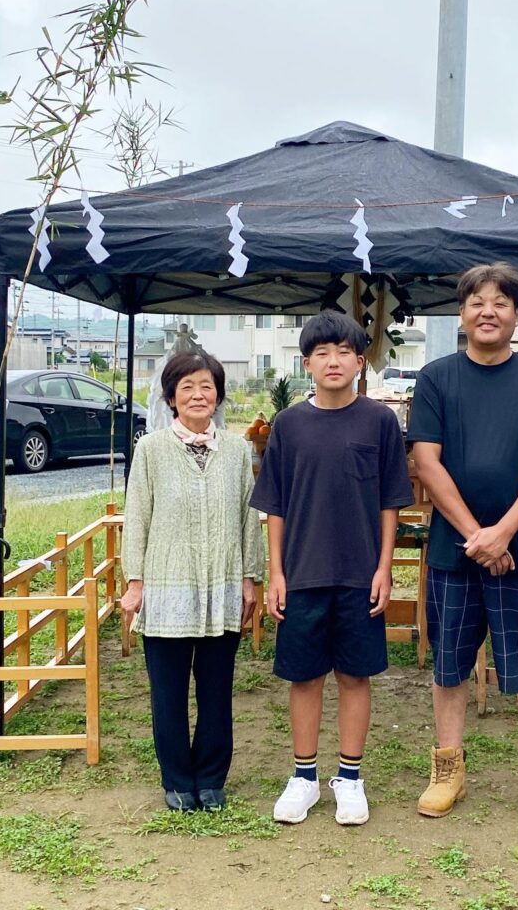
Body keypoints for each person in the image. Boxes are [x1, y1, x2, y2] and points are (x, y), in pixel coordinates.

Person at [408, 262, 518, 828]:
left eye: (500, 303)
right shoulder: (436, 379)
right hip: (453, 553)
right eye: (477, 302)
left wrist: (503, 532)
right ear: (461, 313)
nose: (488, 311)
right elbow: (425, 462)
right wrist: (476, 536)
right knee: (450, 664)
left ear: (517, 315)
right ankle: (447, 770)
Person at [250, 311, 413, 826]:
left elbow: (390, 501)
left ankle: (350, 778)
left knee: (355, 676)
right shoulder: (289, 425)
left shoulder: (379, 422)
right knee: (303, 677)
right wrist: (276, 573)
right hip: (301, 572)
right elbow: (274, 505)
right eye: (322, 353)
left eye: (344, 352)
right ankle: (303, 778)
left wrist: (384, 568)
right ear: (307, 364)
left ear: (360, 362)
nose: (333, 361)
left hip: (360, 574)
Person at [122, 351, 264, 812]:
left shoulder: (237, 451)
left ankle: (212, 778)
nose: (198, 395)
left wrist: (250, 578)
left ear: (218, 396)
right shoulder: (151, 449)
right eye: (187, 387)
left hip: (222, 585)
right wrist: (135, 582)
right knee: (168, 693)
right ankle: (178, 780)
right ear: (171, 398)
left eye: (206, 386)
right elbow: (137, 517)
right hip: (167, 588)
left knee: (216, 690)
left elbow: (248, 518)